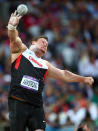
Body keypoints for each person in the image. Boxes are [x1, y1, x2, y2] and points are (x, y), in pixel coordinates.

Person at [7, 11, 94, 131]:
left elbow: (64, 74)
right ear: (33, 42)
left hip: (36, 106)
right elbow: (13, 38)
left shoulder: (45, 64)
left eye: (47, 45)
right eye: (43, 42)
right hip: (18, 101)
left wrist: (83, 79)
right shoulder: (21, 51)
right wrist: (12, 26)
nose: (45, 45)